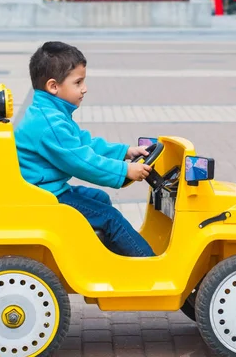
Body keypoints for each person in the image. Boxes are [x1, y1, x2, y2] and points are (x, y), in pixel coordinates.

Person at [14, 41, 155, 257]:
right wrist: (124, 170)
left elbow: (85, 143)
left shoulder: (51, 113)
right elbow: (81, 161)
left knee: (99, 200)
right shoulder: (49, 123)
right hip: (45, 198)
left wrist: (125, 152)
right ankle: (148, 266)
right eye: (78, 82)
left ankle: (103, 260)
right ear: (54, 86)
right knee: (110, 218)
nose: (84, 88)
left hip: (48, 191)